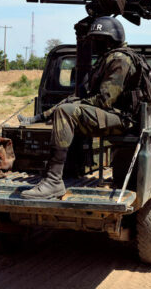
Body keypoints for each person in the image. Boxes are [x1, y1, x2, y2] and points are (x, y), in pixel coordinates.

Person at [18, 16, 139, 199]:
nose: (94, 45)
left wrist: (77, 104)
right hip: (110, 113)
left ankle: (53, 181)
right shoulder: (109, 58)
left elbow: (105, 100)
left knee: (67, 111)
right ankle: (40, 122)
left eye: (97, 40)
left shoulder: (120, 59)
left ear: (109, 41)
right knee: (69, 104)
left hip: (121, 118)